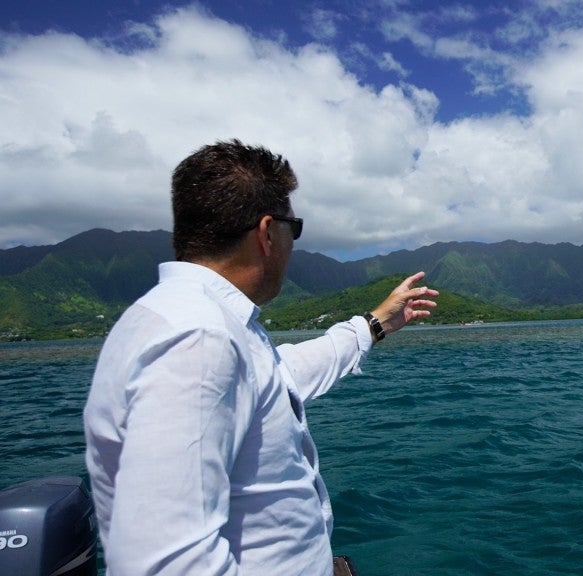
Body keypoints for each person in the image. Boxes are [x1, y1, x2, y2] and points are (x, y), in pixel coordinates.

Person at [83, 139, 439, 576]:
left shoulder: (193, 319)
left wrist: (374, 324)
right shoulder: (197, 338)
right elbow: (169, 564)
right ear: (268, 233)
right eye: (294, 229)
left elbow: (283, 374)